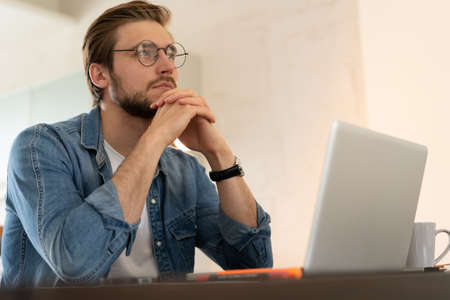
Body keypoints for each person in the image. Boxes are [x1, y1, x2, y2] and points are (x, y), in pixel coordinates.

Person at [1, 1, 272, 287]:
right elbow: (75, 263)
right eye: (146, 52)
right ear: (100, 75)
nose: (168, 66)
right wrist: (155, 139)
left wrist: (219, 155)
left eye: (170, 52)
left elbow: (254, 265)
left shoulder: (185, 171)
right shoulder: (40, 146)